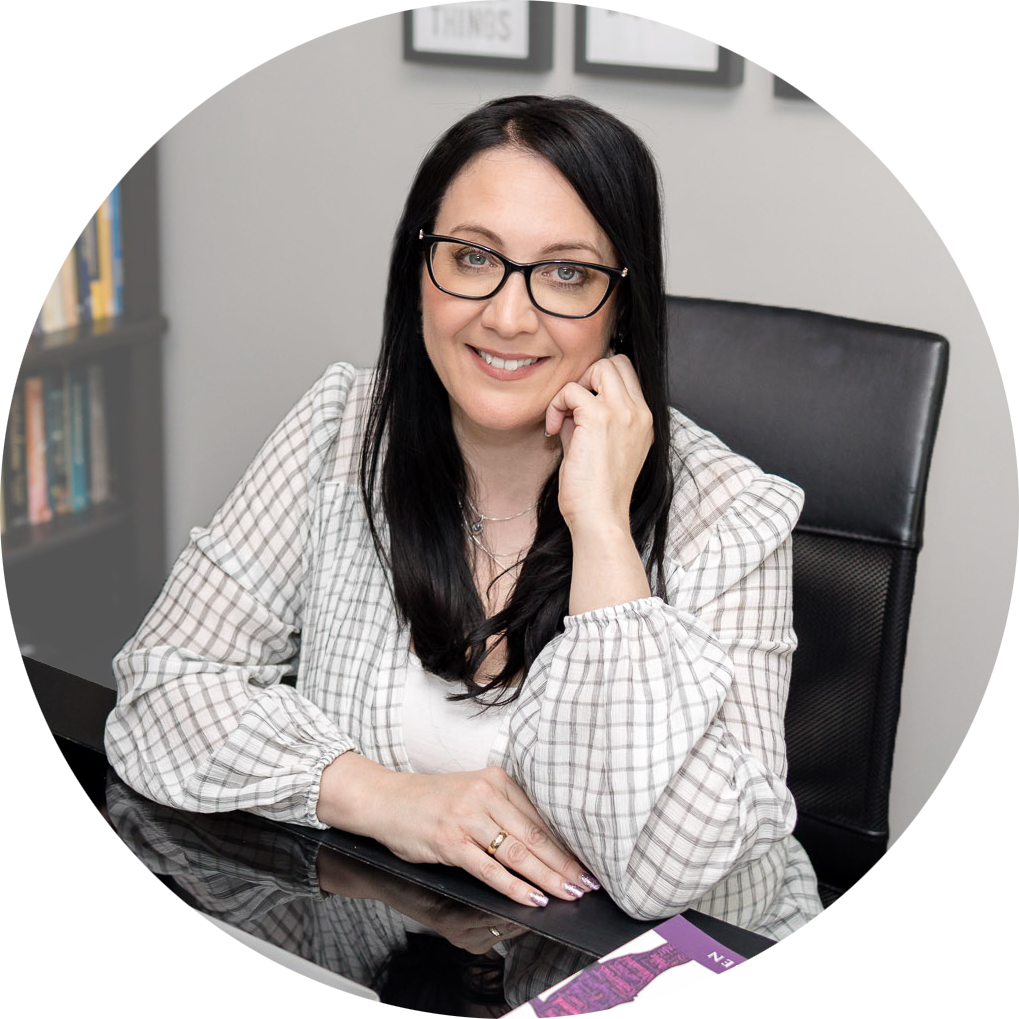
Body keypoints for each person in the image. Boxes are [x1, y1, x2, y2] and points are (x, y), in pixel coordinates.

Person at [105, 94, 823, 940]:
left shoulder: (732, 514)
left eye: (566, 273)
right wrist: (384, 797)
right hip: (395, 947)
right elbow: (161, 688)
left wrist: (600, 528)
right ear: (419, 269)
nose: (507, 316)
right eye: (473, 257)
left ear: (621, 304)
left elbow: (670, 868)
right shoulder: (340, 430)